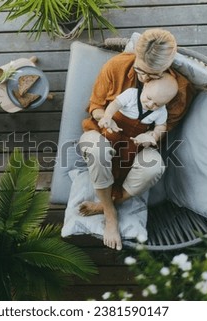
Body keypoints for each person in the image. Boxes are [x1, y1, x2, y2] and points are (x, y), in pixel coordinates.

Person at [78, 28, 195, 251]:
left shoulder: (178, 90)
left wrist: (151, 136)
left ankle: (107, 203)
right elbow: (96, 105)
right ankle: (111, 214)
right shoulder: (117, 66)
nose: (144, 78)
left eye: (154, 75)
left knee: (154, 167)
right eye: (141, 70)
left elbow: (165, 126)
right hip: (102, 132)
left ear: (168, 66)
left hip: (137, 145)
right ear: (136, 55)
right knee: (97, 149)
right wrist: (106, 119)